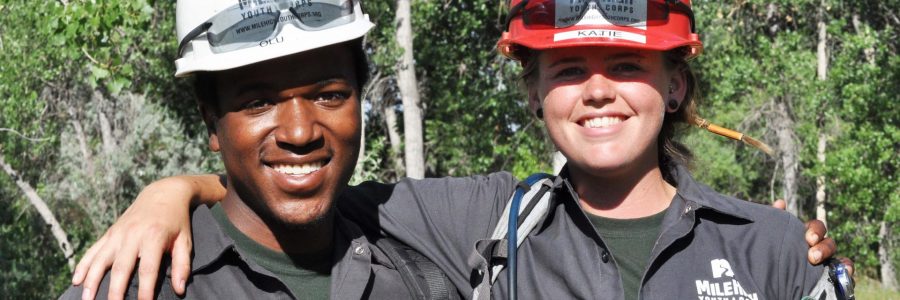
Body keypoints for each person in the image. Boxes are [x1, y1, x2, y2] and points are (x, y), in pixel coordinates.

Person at [70, 0, 849, 299]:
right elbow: (291, 185)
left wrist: (790, 248)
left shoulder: (773, 249)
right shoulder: (493, 225)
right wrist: (175, 191)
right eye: (570, 68)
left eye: (630, 67)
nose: (599, 91)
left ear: (675, 86)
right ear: (534, 90)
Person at [60, 0, 457, 299]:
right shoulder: (135, 287)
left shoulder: (425, 247)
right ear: (211, 123)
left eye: (330, 95)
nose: (300, 133)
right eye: (258, 104)